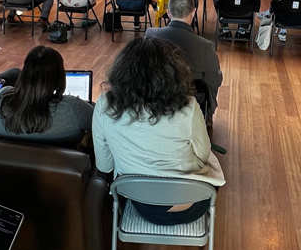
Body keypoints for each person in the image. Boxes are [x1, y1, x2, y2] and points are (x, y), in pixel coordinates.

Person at [92, 37, 225, 224]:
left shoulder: (105, 105)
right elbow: (202, 154)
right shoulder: (188, 107)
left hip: (139, 201)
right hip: (190, 203)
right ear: (173, 73)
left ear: (122, 71)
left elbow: (104, 166)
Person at [0, 46, 94, 144]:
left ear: (24, 73)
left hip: (7, 161)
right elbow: (100, 122)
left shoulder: (0, 99)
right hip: (60, 162)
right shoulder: (74, 107)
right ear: (59, 77)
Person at [145, 0, 222, 118]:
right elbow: (213, 80)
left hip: (155, 101)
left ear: (168, 12)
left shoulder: (150, 36)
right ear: (193, 12)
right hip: (190, 103)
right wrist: (209, 110)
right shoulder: (205, 46)